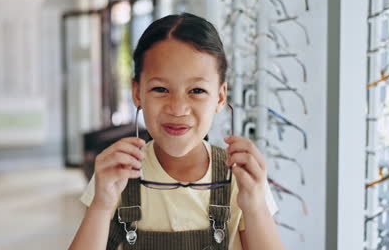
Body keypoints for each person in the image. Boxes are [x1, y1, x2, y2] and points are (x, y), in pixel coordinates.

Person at [69, 13, 286, 250]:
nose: (178, 109)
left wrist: (254, 206)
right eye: (161, 89)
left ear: (220, 97)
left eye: (197, 90)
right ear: (137, 92)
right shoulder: (116, 176)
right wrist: (101, 205)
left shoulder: (241, 179)